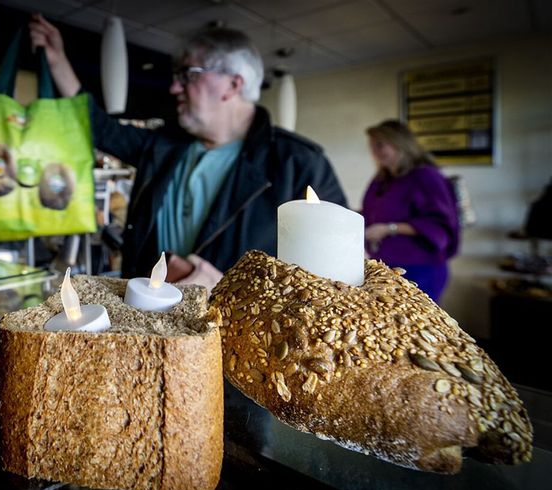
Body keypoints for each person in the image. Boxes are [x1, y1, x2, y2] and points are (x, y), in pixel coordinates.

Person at [28, 14, 347, 289]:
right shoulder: (164, 145)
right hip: (150, 327)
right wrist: (57, 60)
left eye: (187, 75)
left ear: (233, 85)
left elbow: (336, 280)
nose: (174, 88)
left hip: (232, 344)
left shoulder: (298, 163)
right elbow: (101, 128)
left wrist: (225, 289)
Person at [362, 120, 460, 302]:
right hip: (385, 265)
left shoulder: (425, 177)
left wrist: (388, 228)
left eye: (380, 145)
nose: (374, 151)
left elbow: (439, 225)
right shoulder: (383, 178)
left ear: (399, 144)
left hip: (419, 267)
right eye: (372, 146)